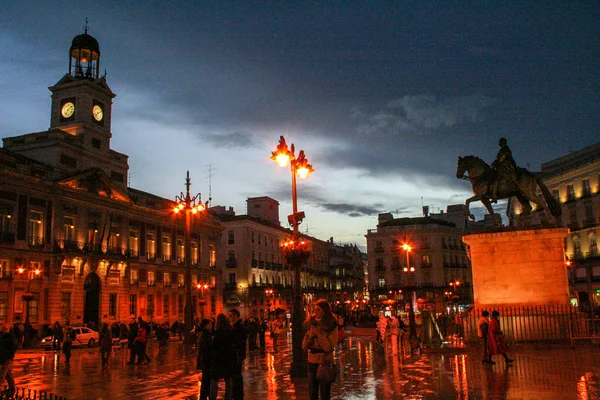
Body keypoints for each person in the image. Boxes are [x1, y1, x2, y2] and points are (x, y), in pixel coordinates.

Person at [302, 299, 338, 400]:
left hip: (325, 361)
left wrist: (318, 334)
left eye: (318, 310)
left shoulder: (331, 325)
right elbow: (304, 346)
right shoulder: (311, 323)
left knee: (325, 394)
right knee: (312, 393)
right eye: (314, 310)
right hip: (312, 361)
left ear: (324, 311)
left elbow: (328, 347)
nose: (315, 312)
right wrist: (310, 335)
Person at [209, 313, 235, 400]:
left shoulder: (217, 333)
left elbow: (214, 346)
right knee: (228, 380)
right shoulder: (231, 331)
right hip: (228, 359)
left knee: (214, 380)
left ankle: (212, 397)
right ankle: (228, 397)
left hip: (218, 359)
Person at [491, 137, 518, 203]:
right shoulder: (503, 150)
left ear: (503, 143)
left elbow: (502, 158)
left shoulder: (505, 150)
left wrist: (496, 162)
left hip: (506, 167)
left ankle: (494, 196)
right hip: (504, 165)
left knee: (496, 179)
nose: (499, 144)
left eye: (500, 142)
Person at [228, 308, 247, 400]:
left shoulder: (239, 326)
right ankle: (236, 393)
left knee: (237, 375)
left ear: (235, 316)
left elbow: (240, 340)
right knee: (235, 374)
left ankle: (238, 394)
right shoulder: (235, 326)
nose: (229, 317)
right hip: (236, 354)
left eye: (230, 316)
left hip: (237, 354)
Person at [196, 318, 214, 400]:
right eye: (210, 324)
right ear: (206, 325)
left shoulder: (205, 334)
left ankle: (204, 396)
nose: (211, 325)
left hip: (204, 361)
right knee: (206, 381)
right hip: (206, 362)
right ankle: (203, 397)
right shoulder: (206, 335)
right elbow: (206, 349)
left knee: (206, 381)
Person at [0, 323, 17, 398]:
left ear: (9, 329)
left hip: (7, 358)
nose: (4, 330)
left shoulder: (11, 337)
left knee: (2, 373)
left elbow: (13, 348)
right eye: (3, 329)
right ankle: (12, 388)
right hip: (2, 358)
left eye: (6, 329)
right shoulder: (1, 337)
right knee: (8, 374)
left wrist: (9, 354)